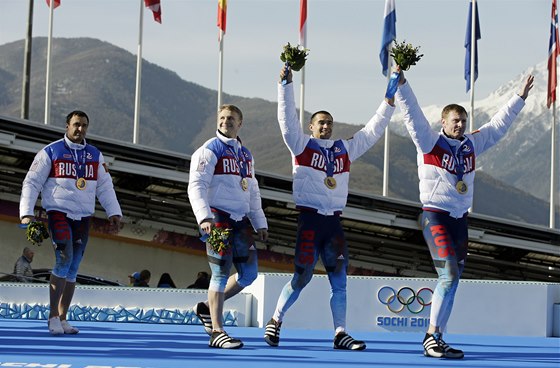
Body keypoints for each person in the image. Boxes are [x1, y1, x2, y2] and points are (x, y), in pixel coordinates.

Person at [394, 70, 534, 359]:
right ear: (443, 123)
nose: (460, 125)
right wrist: (402, 84)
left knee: (454, 280)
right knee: (448, 274)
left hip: (460, 220)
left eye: (463, 121)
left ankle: (439, 337)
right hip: (435, 215)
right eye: (455, 121)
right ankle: (430, 337)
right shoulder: (429, 141)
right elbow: (412, 114)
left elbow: (497, 126)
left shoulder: (471, 144)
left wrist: (519, 98)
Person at [263, 67, 396, 351]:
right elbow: (286, 121)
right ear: (311, 126)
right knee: (302, 277)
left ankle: (340, 333)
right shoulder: (300, 145)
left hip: (334, 223)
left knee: (340, 280)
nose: (325, 127)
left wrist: (389, 101)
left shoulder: (344, 149)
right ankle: (276, 320)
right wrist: (285, 85)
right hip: (309, 220)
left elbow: (372, 132)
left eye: (329, 123)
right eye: (320, 123)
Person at [19, 110, 122, 335]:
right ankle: (52, 316)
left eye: (84, 125)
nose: (80, 129)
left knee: (73, 267)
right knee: (63, 258)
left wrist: (114, 211)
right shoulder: (51, 151)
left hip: (83, 216)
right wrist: (26, 213)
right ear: (67, 125)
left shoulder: (95, 155)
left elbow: (105, 187)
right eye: (76, 124)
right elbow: (32, 182)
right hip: (58, 212)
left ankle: (64, 318)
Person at [188, 104, 268, 349]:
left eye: (231, 118)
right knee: (220, 273)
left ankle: (204, 307)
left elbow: (252, 191)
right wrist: (204, 217)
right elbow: (196, 186)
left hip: (241, 221)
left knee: (249, 274)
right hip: (217, 218)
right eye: (222, 118)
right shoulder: (209, 149)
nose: (225, 121)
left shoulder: (245, 154)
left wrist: (259, 221)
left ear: (240, 123)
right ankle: (217, 331)